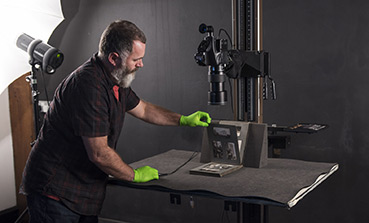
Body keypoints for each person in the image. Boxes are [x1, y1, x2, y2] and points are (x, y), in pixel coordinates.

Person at [20, 20, 211, 223]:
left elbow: (143, 109)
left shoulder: (116, 79)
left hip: (82, 192)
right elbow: (99, 153)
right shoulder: (89, 86)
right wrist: (133, 175)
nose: (141, 64)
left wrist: (183, 120)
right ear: (113, 58)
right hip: (55, 192)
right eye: (136, 59)